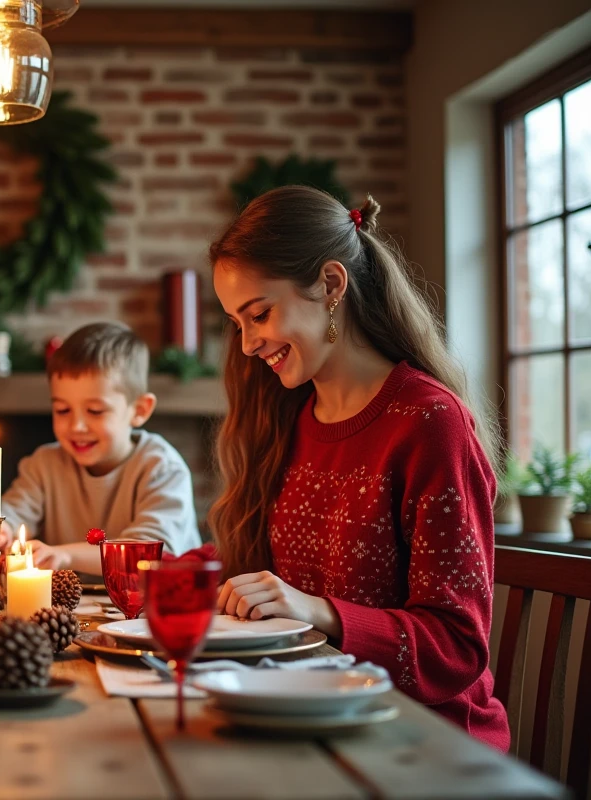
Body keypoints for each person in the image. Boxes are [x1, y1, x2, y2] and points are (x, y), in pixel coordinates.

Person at [209, 186, 510, 750]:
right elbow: (267, 591)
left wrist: (316, 611)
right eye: (236, 323)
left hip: (424, 742)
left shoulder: (429, 422)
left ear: (330, 285)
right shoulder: (288, 419)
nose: (247, 345)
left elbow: (455, 648)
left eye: (260, 314)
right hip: (313, 719)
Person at [0, 322, 201, 573]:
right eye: (62, 410)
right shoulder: (43, 465)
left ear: (139, 410)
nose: (76, 426)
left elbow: (149, 553)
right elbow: (13, 511)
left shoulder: (162, 468)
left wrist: (65, 555)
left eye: (95, 411)